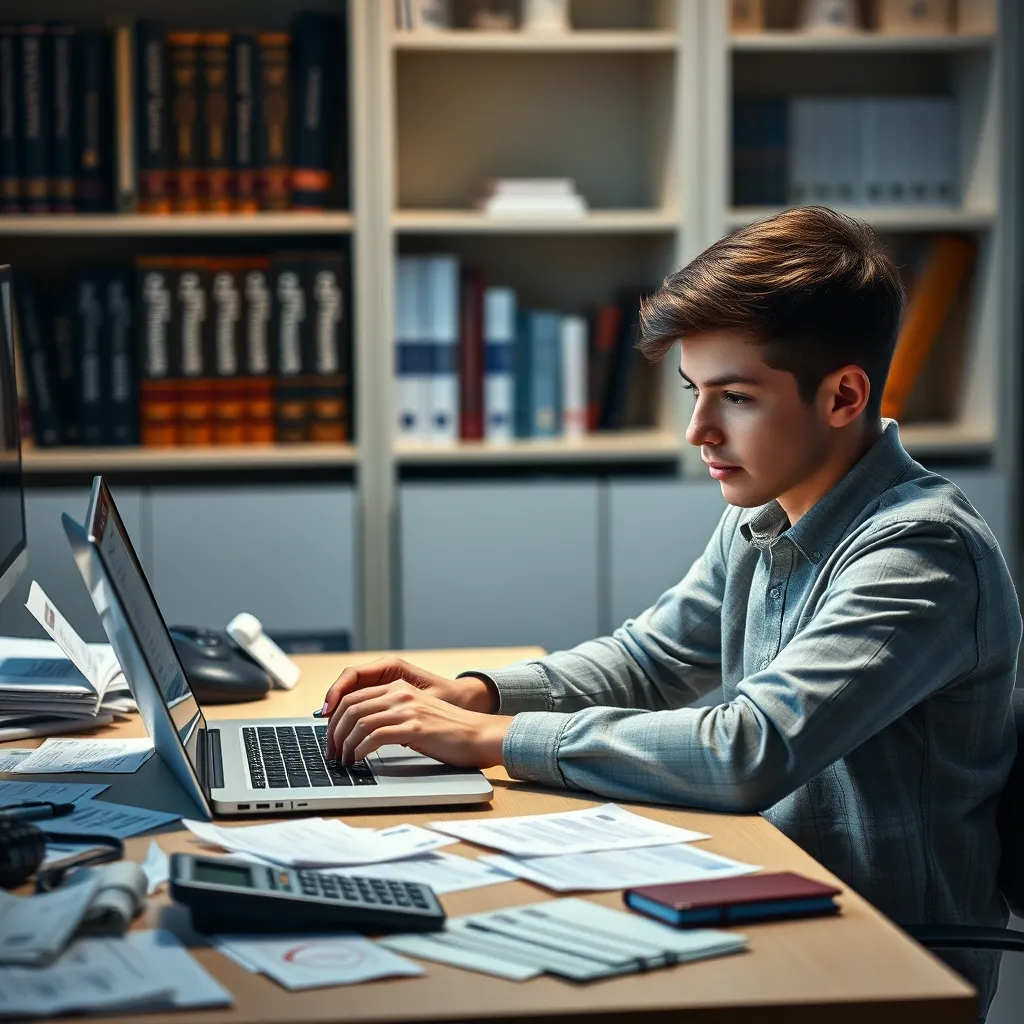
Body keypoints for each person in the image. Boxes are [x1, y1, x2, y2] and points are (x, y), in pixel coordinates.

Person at [320, 206, 1020, 1017]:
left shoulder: (922, 553)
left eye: (735, 397)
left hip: (880, 962)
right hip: (773, 898)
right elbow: (648, 660)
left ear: (844, 396)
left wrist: (495, 741)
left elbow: (747, 748)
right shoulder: (767, 513)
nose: (698, 429)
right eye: (694, 392)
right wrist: (477, 694)